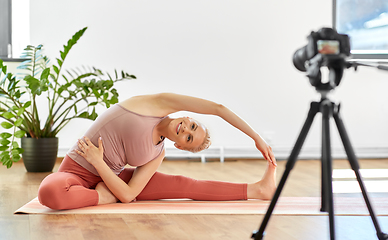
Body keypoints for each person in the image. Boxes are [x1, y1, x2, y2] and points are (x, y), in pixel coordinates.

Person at [38, 93, 277, 210]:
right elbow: (217, 108)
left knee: (184, 184)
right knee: (50, 192)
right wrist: (256, 137)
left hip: (109, 178)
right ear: (187, 116)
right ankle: (101, 198)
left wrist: (101, 165)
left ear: (180, 146)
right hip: (76, 171)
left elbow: (128, 195)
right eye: (192, 125)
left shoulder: (157, 153)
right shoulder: (155, 104)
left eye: (188, 138)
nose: (185, 129)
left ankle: (259, 189)